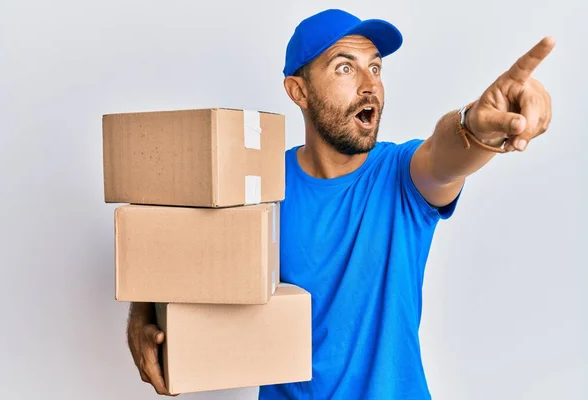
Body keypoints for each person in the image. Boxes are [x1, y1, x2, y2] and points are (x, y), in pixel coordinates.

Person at [125, 8, 554, 399]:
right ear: (299, 91)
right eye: (345, 67)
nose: (370, 85)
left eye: (376, 67)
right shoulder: (255, 187)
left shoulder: (403, 174)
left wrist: (476, 124)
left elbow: (446, 155)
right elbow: (182, 254)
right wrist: (145, 317)